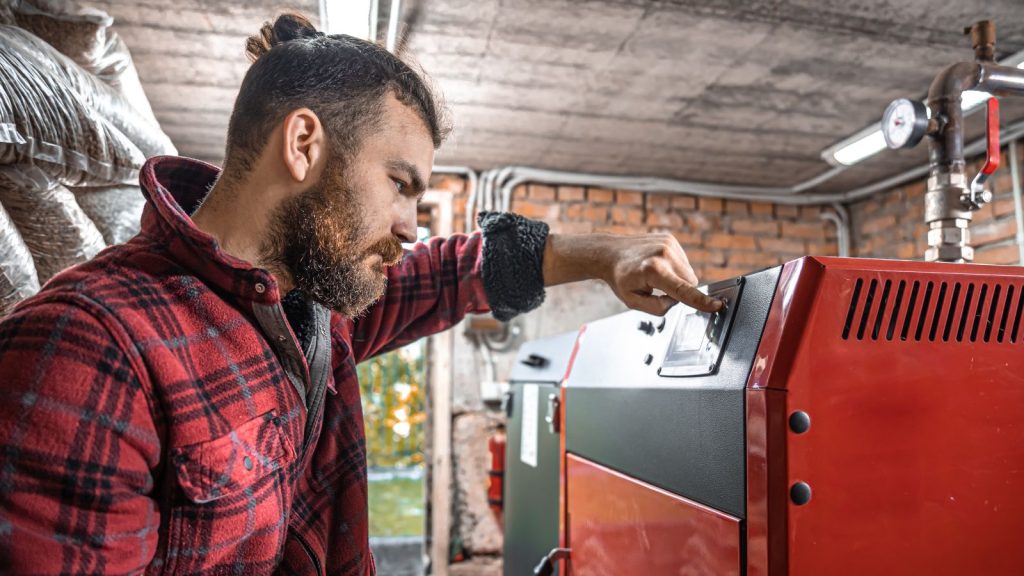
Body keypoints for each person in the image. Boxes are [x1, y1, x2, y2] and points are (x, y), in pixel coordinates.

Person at [0, 12, 720, 575]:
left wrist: (606, 256)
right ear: (304, 146)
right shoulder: (90, 348)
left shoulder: (309, 308)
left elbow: (454, 270)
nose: (411, 225)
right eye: (400, 184)